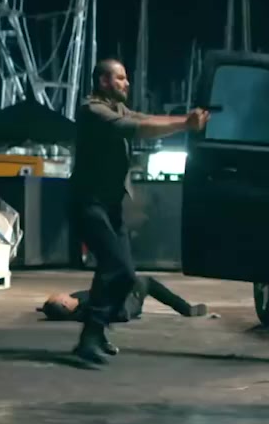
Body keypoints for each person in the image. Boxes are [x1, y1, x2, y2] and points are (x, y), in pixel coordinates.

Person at [69, 58, 209, 366]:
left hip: (110, 206)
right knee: (115, 267)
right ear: (104, 82)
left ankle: (96, 333)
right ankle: (89, 338)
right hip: (88, 203)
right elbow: (137, 128)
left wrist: (185, 120)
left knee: (125, 275)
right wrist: (185, 124)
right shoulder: (92, 111)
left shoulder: (117, 108)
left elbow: (145, 118)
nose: (127, 83)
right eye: (120, 78)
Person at [39, 275, 209, 323]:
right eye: (59, 295)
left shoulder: (75, 299)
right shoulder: (87, 307)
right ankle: (186, 309)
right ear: (64, 303)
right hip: (126, 305)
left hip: (121, 297)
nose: (61, 293)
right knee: (146, 282)